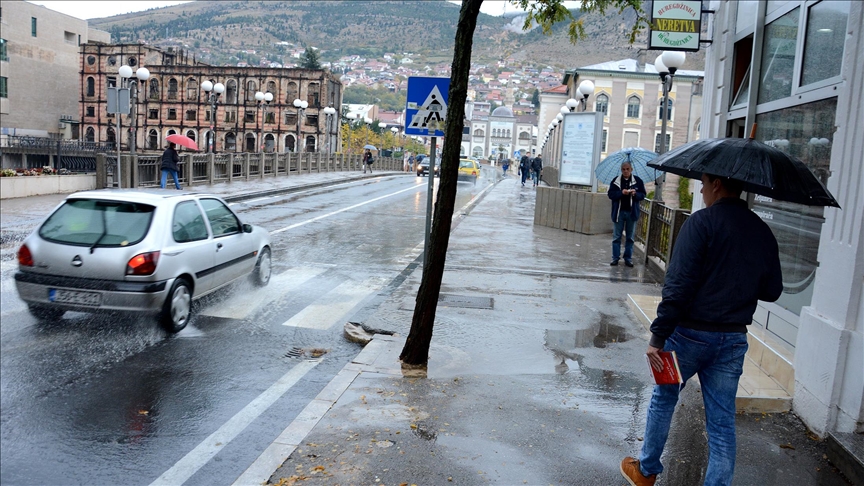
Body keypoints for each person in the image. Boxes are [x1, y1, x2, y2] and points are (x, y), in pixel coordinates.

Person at [620, 173, 783, 486]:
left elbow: (678, 286)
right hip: (733, 341)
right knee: (722, 425)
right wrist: (740, 276)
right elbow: (772, 290)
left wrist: (658, 336)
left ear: (717, 185)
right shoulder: (761, 231)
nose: (702, 190)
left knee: (664, 398)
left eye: (704, 184)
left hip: (686, 337)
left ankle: (646, 471)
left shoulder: (701, 223)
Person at [607, 162, 646, 267]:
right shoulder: (616, 181)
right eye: (623, 169)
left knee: (630, 237)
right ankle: (615, 258)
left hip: (631, 212)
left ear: (631, 169)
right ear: (621, 170)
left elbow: (643, 195)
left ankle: (628, 258)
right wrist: (621, 193)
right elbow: (610, 194)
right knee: (616, 237)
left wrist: (635, 194)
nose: (625, 171)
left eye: (627, 169)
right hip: (619, 212)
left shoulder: (637, 181)